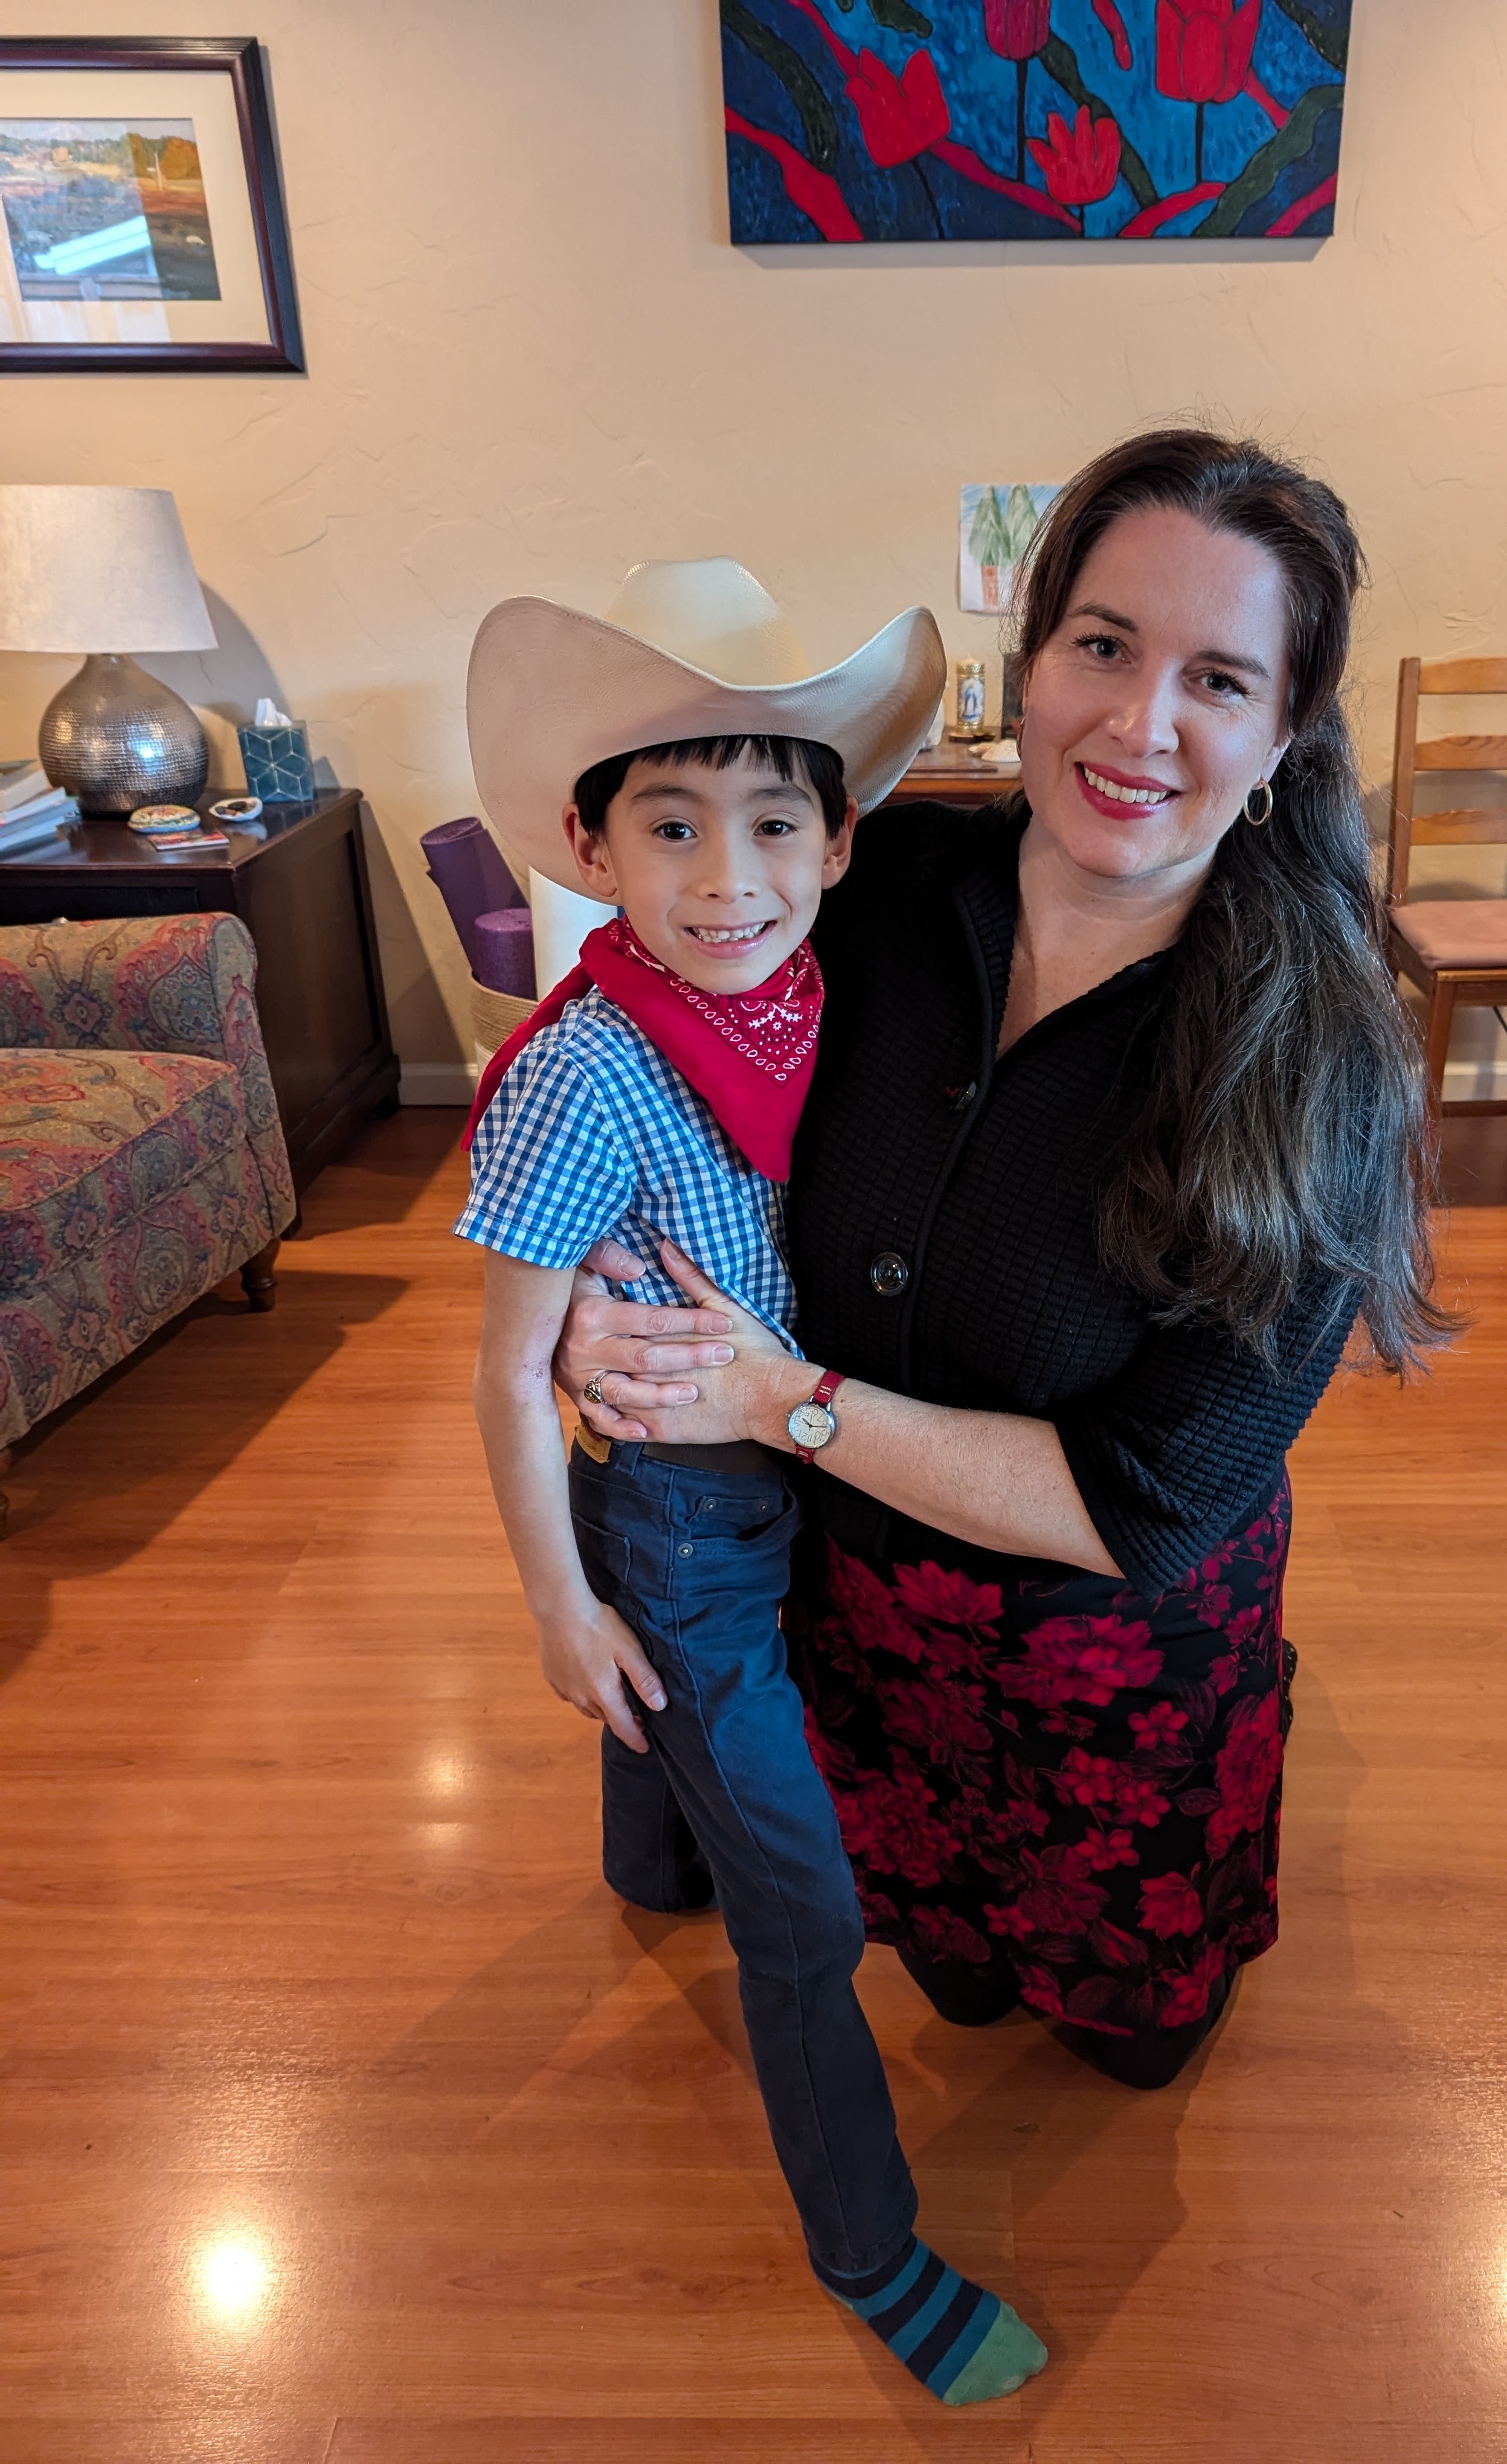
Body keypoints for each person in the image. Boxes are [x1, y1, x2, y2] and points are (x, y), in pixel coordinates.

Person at [560, 428, 1450, 2093]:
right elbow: (639, 1113)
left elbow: (1151, 1501)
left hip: (1108, 1672)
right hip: (857, 1619)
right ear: (1029, 662)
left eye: (1219, 680)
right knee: (956, 1984)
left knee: (1136, 2044)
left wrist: (779, 1400)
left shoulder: (1322, 1061)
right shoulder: (856, 893)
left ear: (1285, 732)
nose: (1140, 723)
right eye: (1102, 645)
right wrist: (591, 1317)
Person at [457, 556, 1047, 2406]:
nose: (730, 879)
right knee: (810, 1911)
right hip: (676, 1517)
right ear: (592, 846)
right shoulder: (587, 1074)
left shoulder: (813, 1001)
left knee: (699, 1755)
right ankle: (871, 2252)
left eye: (775, 823)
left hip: (794, 1455)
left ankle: (647, 1859)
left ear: (840, 841)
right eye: (672, 827)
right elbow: (506, 1361)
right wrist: (560, 1606)